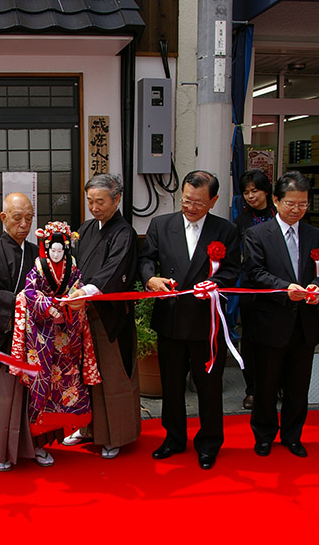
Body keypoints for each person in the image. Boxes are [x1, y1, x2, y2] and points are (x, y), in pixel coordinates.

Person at [138, 170, 239, 470]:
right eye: (186, 200)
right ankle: (173, 438)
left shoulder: (226, 230)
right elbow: (146, 259)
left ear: (213, 201)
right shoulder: (161, 224)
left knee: (209, 385)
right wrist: (150, 279)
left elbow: (232, 269)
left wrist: (216, 282)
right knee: (171, 385)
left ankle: (209, 443)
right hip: (170, 319)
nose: (190, 207)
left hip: (207, 323)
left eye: (198, 202)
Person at [242, 171, 319, 458]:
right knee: (266, 386)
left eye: (302, 204)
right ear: (276, 201)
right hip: (270, 323)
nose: (296, 210)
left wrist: (318, 286)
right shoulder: (257, 235)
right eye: (291, 203)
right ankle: (264, 435)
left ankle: (293, 436)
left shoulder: (315, 235)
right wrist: (283, 288)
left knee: (297, 386)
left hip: (304, 324)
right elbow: (254, 273)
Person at [10, 221, 100, 467]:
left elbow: (77, 290)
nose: (57, 254)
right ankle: (38, 440)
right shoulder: (39, 267)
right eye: (53, 249)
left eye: (61, 250)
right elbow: (28, 293)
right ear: (46, 248)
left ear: (66, 248)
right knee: (41, 383)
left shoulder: (73, 268)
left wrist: (70, 304)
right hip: (42, 335)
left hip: (66, 335)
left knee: (68, 381)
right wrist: (48, 307)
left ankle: (67, 429)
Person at [65, 173, 140, 459]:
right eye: (90, 201)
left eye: (100, 201)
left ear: (116, 199)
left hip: (107, 317)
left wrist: (87, 290)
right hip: (79, 313)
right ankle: (84, 428)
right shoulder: (84, 228)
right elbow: (73, 265)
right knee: (83, 376)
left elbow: (114, 271)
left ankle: (115, 435)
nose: (94, 207)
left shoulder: (124, 233)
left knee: (111, 376)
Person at [0, 192, 45, 471]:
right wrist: (24, 303)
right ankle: (2, 452)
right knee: (7, 394)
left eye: (29, 218)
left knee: (38, 393)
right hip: (6, 334)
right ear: (3, 218)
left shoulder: (36, 253)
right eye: (17, 217)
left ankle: (37, 447)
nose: (24, 224)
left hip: (35, 334)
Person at [233, 169, 276, 411]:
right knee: (249, 340)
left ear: (267, 191)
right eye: (246, 192)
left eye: (255, 191)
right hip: (251, 287)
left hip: (280, 287)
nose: (251, 196)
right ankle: (252, 389)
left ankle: (276, 384)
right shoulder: (242, 221)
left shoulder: (278, 215)